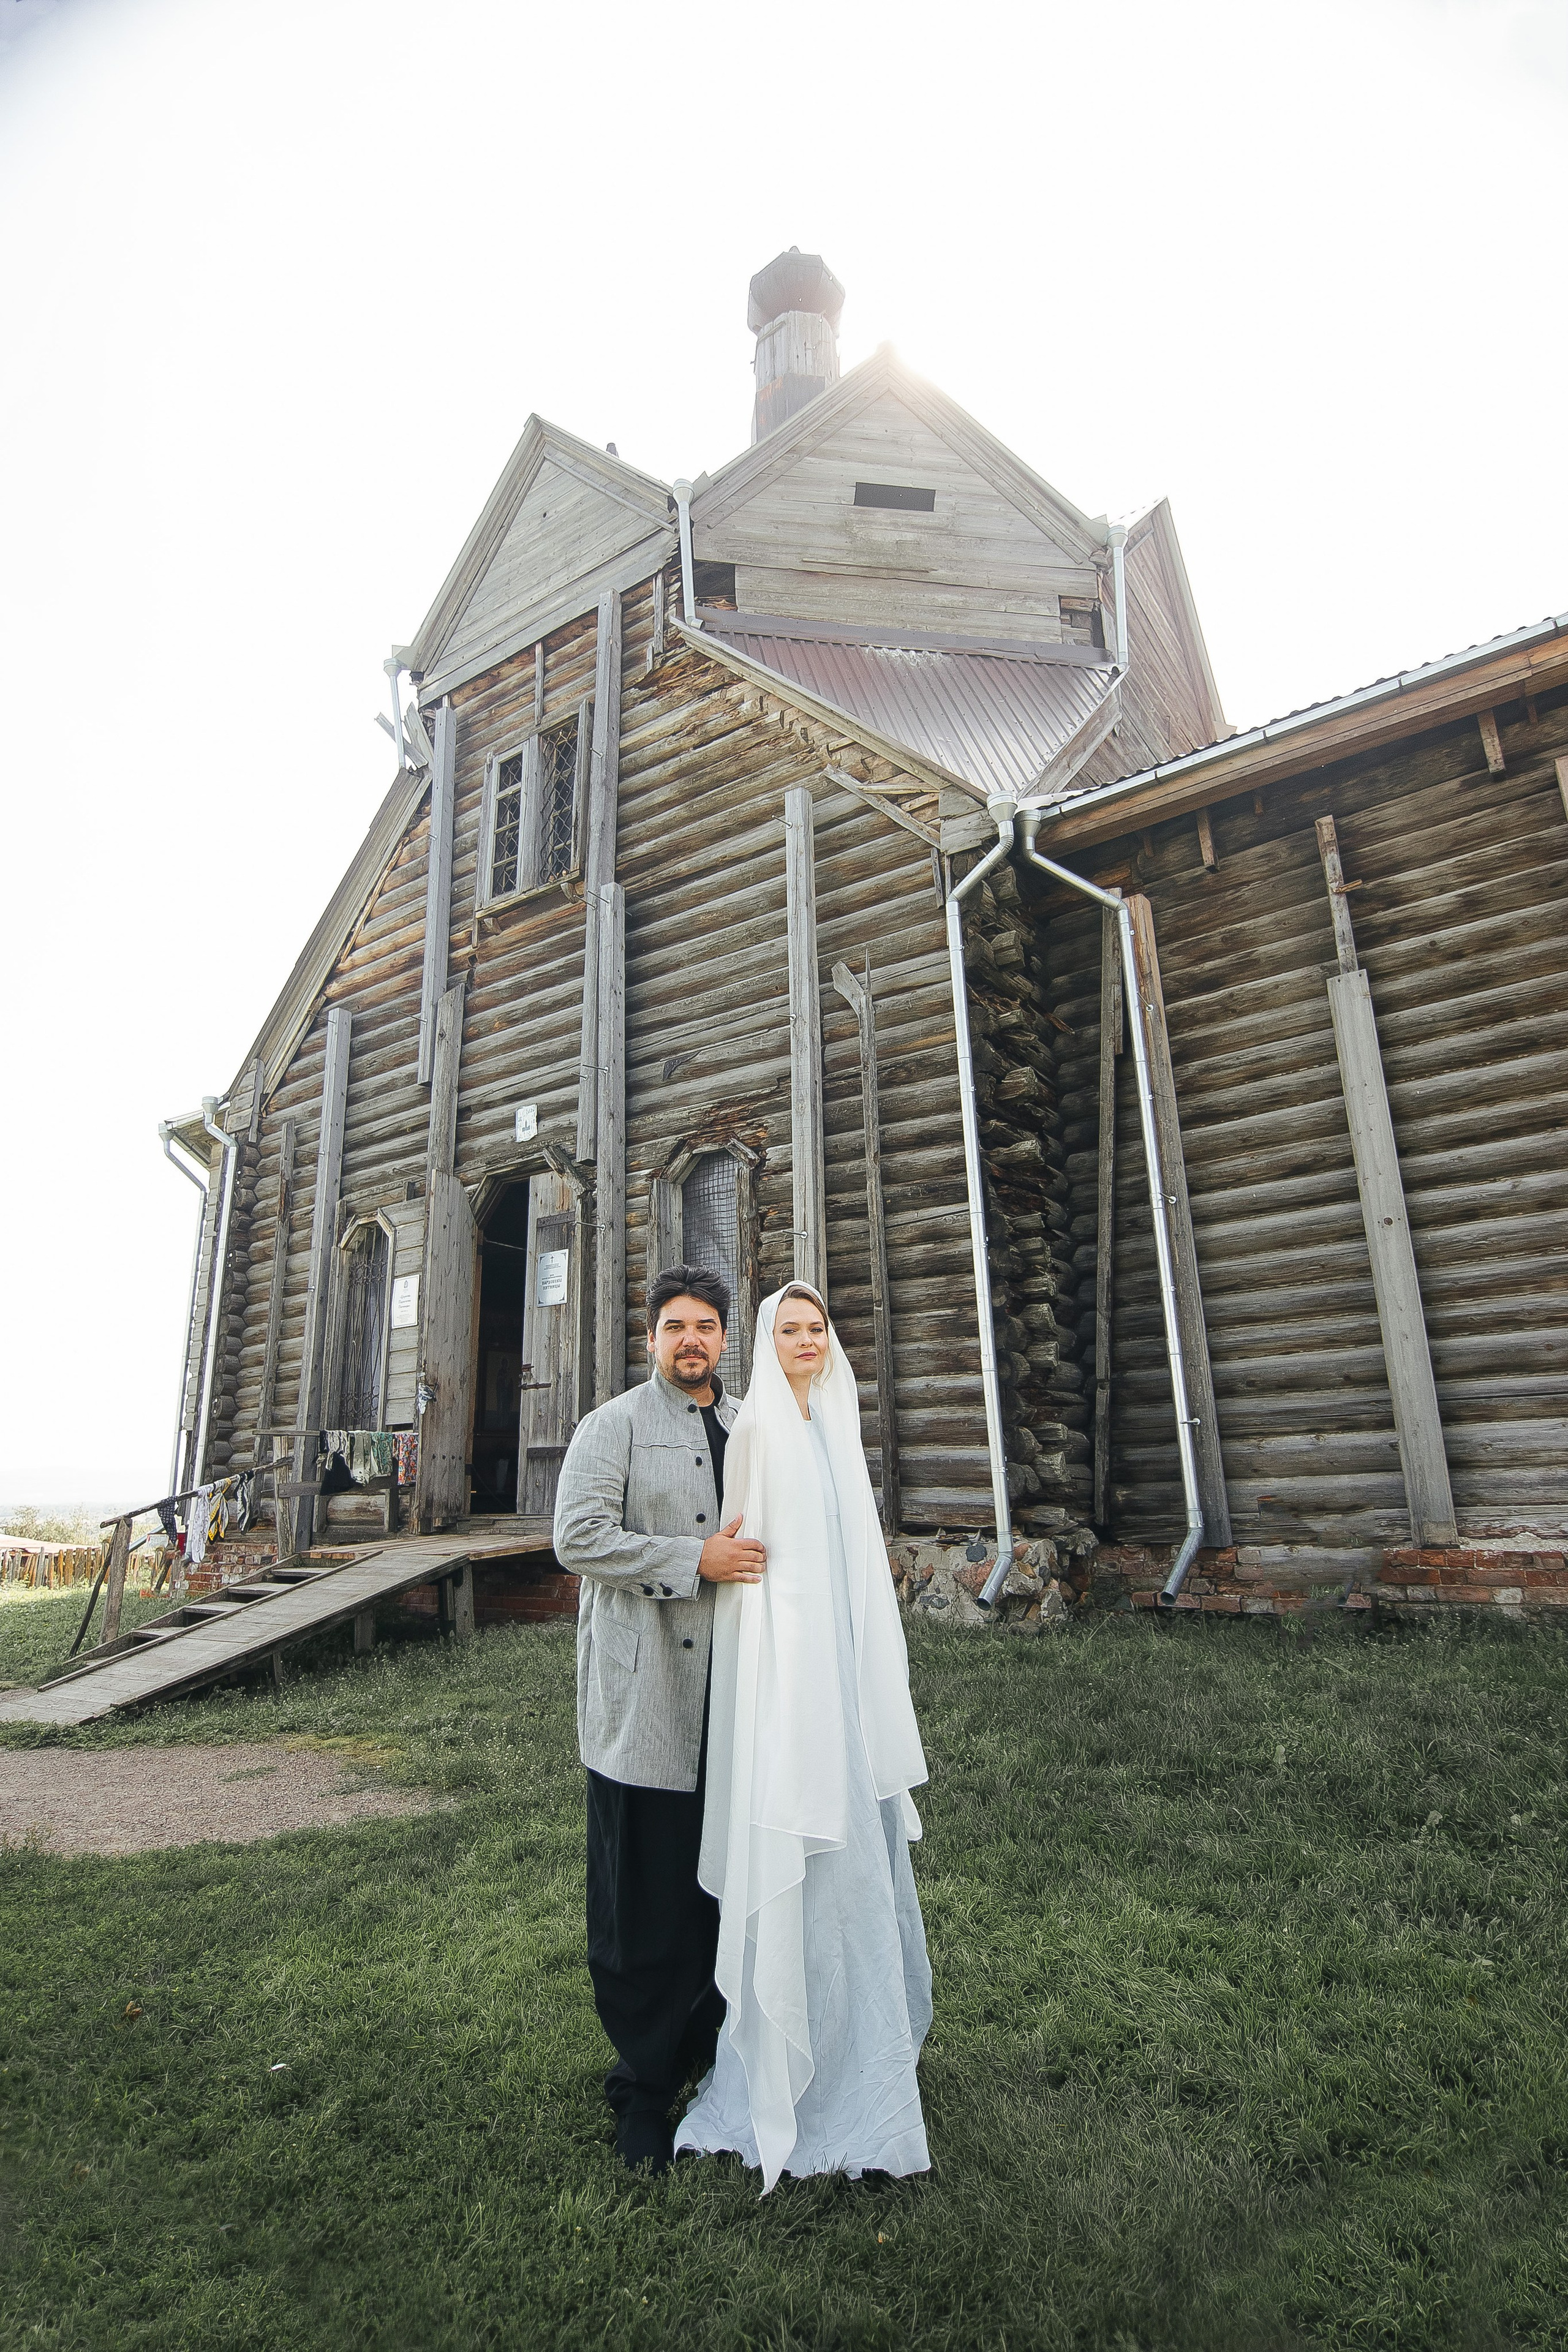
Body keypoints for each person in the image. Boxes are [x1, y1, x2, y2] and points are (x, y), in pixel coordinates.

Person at [675, 1283, 932, 2192]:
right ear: (767, 1343)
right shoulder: (754, 1433)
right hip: (790, 1684)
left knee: (857, 1869)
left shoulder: (835, 1425)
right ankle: (789, 2065)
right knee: (802, 1862)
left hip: (844, 1676)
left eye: (816, 1328)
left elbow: (853, 1551)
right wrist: (786, 1684)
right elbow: (747, 1562)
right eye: (788, 1330)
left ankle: (865, 2052)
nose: (805, 1341)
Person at [552, 1264, 767, 2175]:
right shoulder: (613, 1427)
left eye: (708, 1326)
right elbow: (578, 1538)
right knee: (641, 1899)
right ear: (652, 1339)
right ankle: (642, 2086)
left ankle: (713, 2045)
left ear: (726, 1338)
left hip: (739, 1699)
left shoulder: (750, 1427)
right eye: (676, 1326)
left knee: (723, 1887)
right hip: (647, 1703)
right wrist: (695, 1559)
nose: (692, 1341)